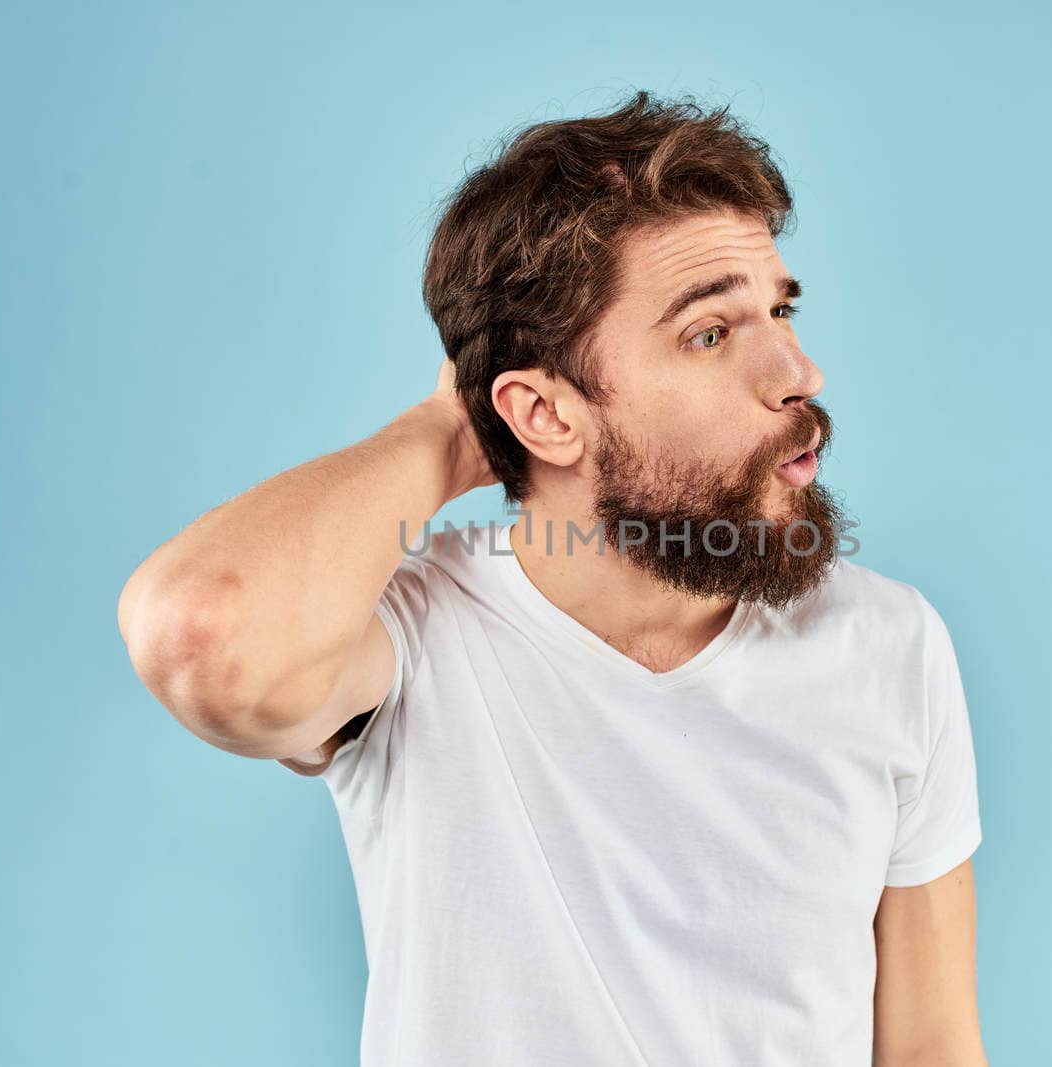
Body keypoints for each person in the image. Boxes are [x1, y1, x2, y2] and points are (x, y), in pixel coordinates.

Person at [117, 90, 987, 1066]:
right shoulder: (412, 636)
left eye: (777, 310)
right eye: (710, 331)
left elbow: (931, 1048)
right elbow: (203, 637)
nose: (798, 371)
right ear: (543, 413)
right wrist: (446, 430)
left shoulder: (888, 643)